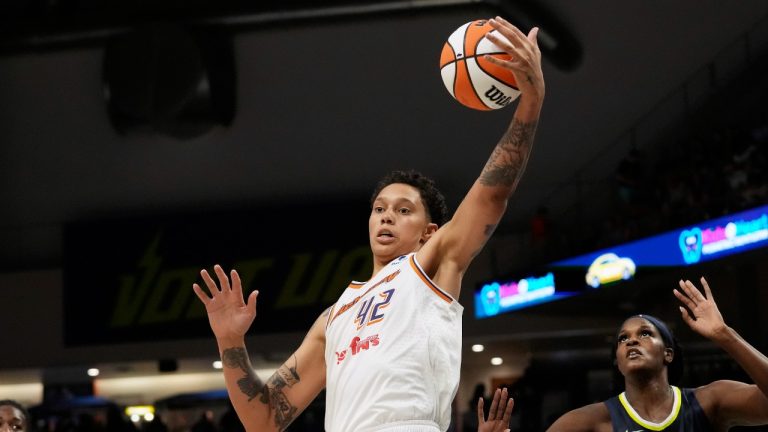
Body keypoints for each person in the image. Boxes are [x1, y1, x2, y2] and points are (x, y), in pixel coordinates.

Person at [192, 15, 544, 432]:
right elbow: (264, 418)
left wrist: (531, 101)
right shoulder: (334, 316)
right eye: (379, 209)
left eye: (404, 210)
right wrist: (230, 342)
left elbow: (491, 195)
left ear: (429, 232)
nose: (387, 216)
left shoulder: (429, 265)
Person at [540, 277, 768, 431]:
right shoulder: (593, 420)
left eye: (646, 333)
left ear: (668, 354)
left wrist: (724, 334)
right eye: (623, 338)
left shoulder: (709, 401)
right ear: (617, 362)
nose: (631, 340)